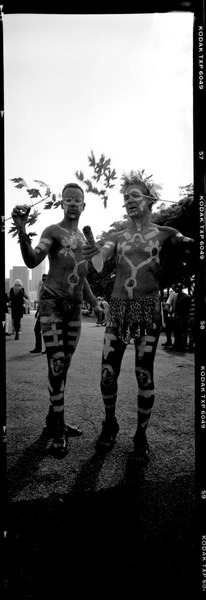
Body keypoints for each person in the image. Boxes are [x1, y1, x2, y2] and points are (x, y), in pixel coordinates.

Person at [82, 169, 194, 463]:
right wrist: (93, 250)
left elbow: (187, 242)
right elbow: (97, 263)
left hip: (148, 309)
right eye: (125, 196)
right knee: (107, 374)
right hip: (118, 310)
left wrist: (185, 242)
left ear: (149, 199)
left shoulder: (165, 233)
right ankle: (110, 422)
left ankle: (141, 436)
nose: (129, 200)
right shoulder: (117, 238)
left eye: (135, 195)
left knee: (144, 375)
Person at [11, 183, 104, 458]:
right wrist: (23, 229)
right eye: (68, 200)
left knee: (64, 367)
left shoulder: (86, 240)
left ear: (84, 206)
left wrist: (95, 303)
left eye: (78, 200)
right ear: (62, 204)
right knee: (57, 363)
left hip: (74, 308)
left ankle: (54, 419)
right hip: (52, 303)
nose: (73, 203)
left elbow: (84, 275)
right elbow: (31, 260)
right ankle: (59, 430)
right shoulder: (52, 231)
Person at [30, 274, 47, 354]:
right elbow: (41, 302)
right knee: (40, 330)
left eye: (45, 279)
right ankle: (39, 348)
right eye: (43, 279)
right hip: (42, 313)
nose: (44, 281)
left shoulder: (47, 289)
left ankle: (39, 348)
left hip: (46, 313)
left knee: (41, 330)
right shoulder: (43, 289)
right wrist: (37, 312)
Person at [172, 283, 191, 351]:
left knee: (181, 331)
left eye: (177, 287)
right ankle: (179, 344)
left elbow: (185, 308)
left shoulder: (184, 297)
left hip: (182, 316)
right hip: (180, 316)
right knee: (178, 331)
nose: (176, 289)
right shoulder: (178, 296)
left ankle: (181, 345)